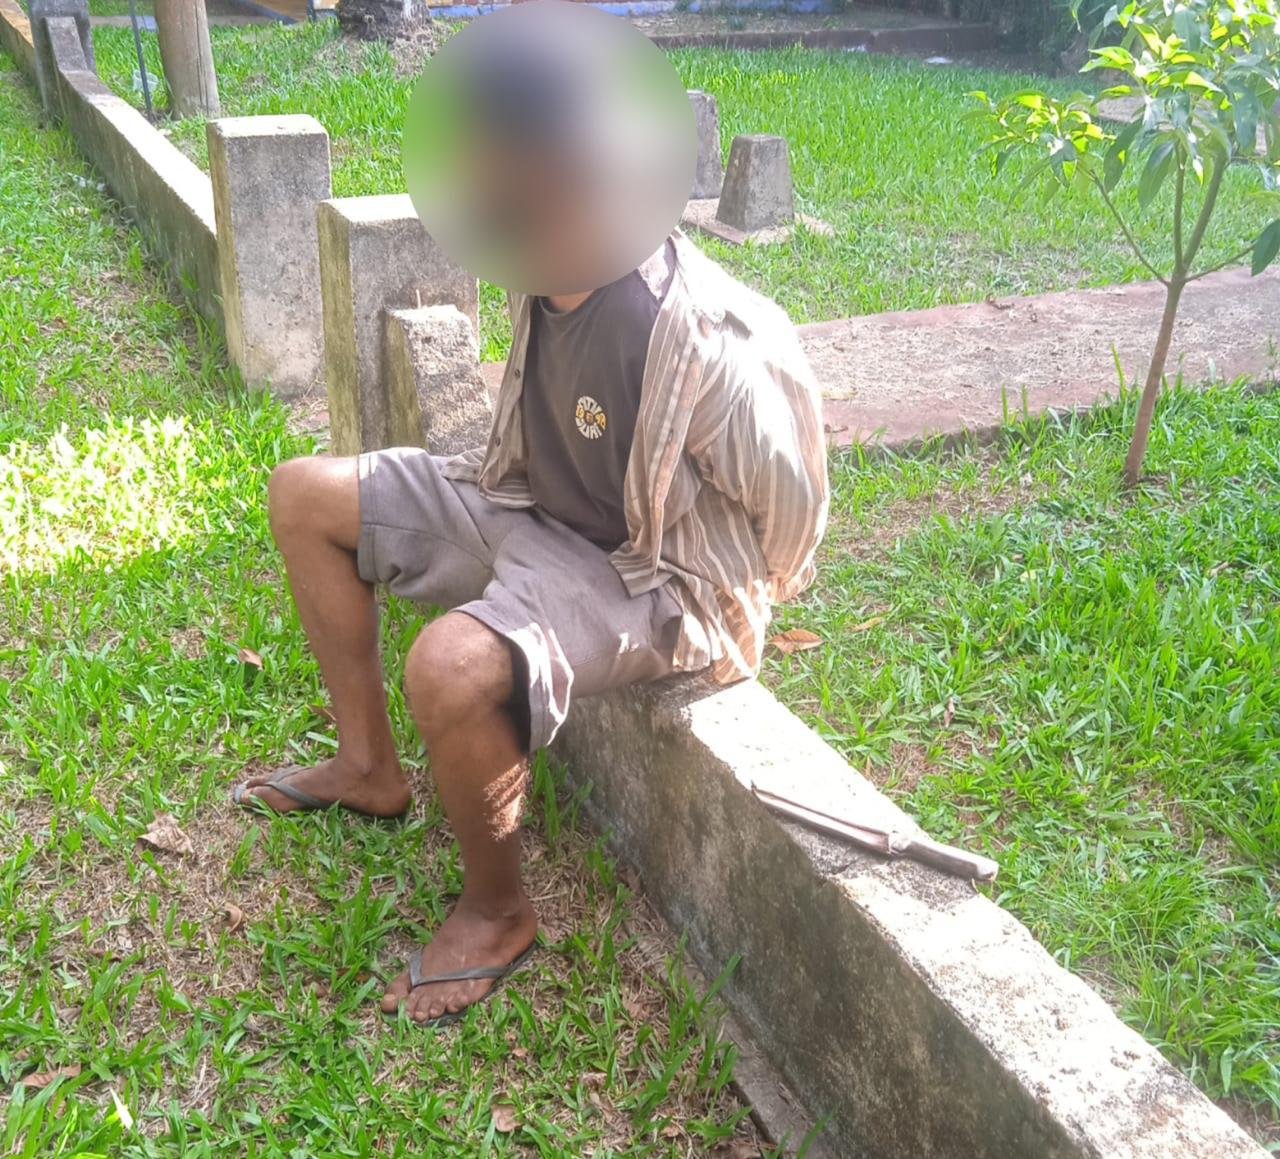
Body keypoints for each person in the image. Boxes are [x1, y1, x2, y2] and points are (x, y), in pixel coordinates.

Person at [232, 12, 829, 1028]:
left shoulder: (696, 332)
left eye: (504, 153)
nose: (481, 172)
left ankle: (497, 913)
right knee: (303, 492)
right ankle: (368, 768)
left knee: (448, 666)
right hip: (524, 505)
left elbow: (793, 501)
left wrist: (749, 603)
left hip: (646, 576)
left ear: (580, 160)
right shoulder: (537, 257)